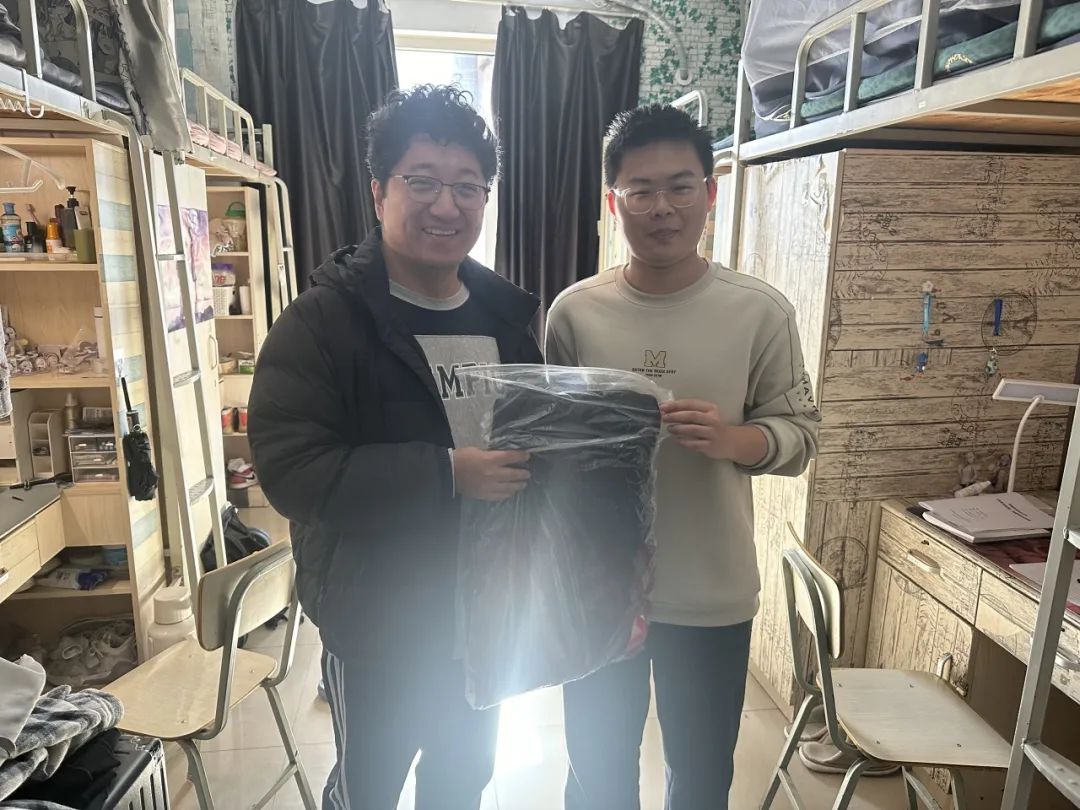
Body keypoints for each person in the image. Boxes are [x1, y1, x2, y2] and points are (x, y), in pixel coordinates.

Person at [248, 85, 542, 810]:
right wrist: (446, 474)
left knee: (462, 781)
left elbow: (533, 449)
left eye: (467, 186)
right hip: (378, 619)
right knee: (370, 787)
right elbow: (293, 472)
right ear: (379, 191)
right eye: (423, 181)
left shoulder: (505, 319)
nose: (447, 205)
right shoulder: (322, 324)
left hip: (483, 611)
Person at [545, 104, 820, 810]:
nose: (662, 208)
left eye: (680, 187)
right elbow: (551, 443)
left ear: (711, 191)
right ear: (615, 203)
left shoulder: (760, 311)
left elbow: (801, 436)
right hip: (600, 583)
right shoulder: (574, 313)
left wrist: (734, 440)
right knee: (597, 775)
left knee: (700, 779)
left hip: (710, 590)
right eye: (640, 191)